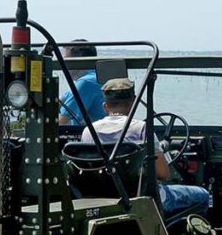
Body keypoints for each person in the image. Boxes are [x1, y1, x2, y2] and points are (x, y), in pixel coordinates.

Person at [80, 78, 210, 216]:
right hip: (144, 200)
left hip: (104, 200)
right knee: (203, 196)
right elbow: (163, 174)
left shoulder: (88, 131)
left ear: (105, 106)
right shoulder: (141, 129)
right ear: (134, 103)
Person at [57, 39, 106, 126]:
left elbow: (61, 122)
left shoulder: (86, 83)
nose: (63, 66)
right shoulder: (97, 77)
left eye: (66, 61)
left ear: (79, 60)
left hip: (93, 137)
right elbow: (62, 100)